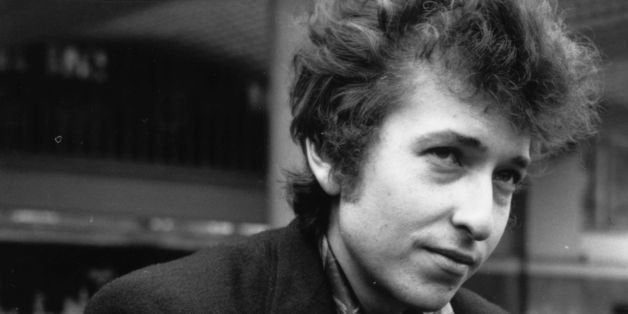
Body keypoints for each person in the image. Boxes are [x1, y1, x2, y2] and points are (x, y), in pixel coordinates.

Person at [86, 0, 601, 313]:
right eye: (446, 155)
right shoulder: (169, 309)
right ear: (332, 152)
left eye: (507, 176)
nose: (480, 218)